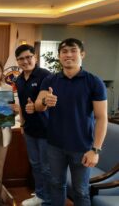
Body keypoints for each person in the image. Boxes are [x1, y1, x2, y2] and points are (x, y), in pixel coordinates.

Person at [35, 38, 108, 206]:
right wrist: (45, 101)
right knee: (56, 185)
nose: (68, 55)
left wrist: (95, 150)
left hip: (82, 147)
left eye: (73, 51)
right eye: (64, 51)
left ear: (82, 54)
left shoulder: (93, 82)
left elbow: (102, 117)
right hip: (55, 145)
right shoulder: (50, 80)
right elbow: (38, 105)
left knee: (81, 191)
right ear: (59, 56)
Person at [15, 44, 51, 206]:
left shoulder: (46, 75)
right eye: (21, 59)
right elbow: (23, 105)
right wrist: (22, 124)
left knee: (46, 167)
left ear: (35, 57)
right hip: (29, 130)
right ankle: (40, 196)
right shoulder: (19, 79)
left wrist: (35, 106)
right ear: (17, 61)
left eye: (28, 57)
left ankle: (49, 200)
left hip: (46, 130)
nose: (25, 61)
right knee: (35, 165)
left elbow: (44, 103)